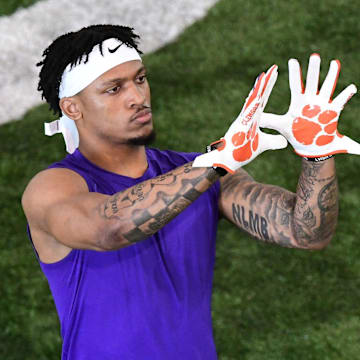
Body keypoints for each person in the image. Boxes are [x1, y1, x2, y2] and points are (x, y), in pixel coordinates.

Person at [21, 24, 360, 359]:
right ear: (72, 108)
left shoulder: (208, 172)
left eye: (140, 79)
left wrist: (317, 157)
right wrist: (217, 161)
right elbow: (107, 228)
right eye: (114, 89)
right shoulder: (52, 188)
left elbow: (306, 233)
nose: (138, 98)